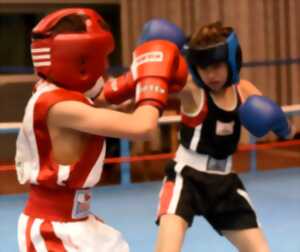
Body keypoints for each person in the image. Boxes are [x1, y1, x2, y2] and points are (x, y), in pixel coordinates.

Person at [15, 8, 187, 251]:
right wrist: (154, 82)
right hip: (53, 229)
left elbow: (108, 93)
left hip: (76, 221)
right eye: (99, 56)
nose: (105, 64)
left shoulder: (57, 87)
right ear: (79, 59)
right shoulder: (60, 107)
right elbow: (142, 126)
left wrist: (139, 76)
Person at [138, 20, 294, 252]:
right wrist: (154, 60)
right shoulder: (191, 89)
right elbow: (151, 83)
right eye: (204, 67)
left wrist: (280, 124)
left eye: (217, 65)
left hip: (225, 183)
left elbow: (288, 131)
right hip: (186, 178)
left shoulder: (246, 91)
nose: (211, 74)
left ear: (231, 59)